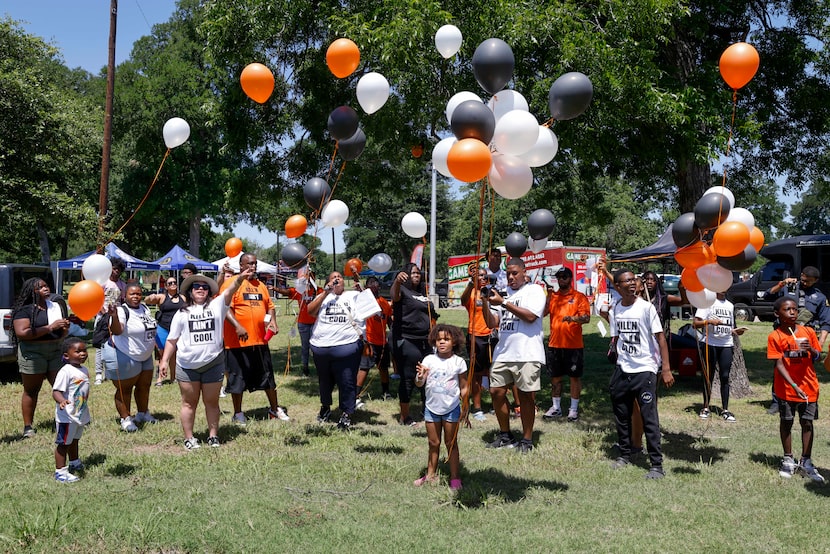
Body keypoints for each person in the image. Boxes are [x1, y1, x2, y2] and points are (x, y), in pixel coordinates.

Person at [160, 270, 252, 450]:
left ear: (209, 291)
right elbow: (172, 339)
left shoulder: (218, 305)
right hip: (187, 365)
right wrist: (164, 361)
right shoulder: (181, 313)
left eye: (204, 287)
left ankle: (213, 436)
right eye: (196, 287)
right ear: (190, 291)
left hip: (213, 363)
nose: (200, 289)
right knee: (189, 403)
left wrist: (240, 277)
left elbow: (231, 289)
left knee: (211, 402)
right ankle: (189, 438)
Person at [608, 269, 674, 479]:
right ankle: (625, 454)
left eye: (633, 280)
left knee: (649, 418)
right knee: (621, 414)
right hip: (623, 368)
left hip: (645, 369)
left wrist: (665, 369)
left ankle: (656, 465)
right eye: (625, 281)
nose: (631, 283)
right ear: (617, 287)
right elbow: (616, 338)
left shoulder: (646, 308)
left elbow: (661, 339)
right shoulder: (616, 309)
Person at [480, 257, 546, 453]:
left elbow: (530, 316)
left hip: (527, 352)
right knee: (496, 392)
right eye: (508, 273)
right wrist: (485, 302)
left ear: (525, 273)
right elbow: (492, 323)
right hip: (503, 352)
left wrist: (504, 302)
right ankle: (505, 435)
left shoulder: (534, 291)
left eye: (515, 273)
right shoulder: (503, 294)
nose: (510, 277)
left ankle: (526, 439)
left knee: (526, 397)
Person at [222, 253, 288, 424]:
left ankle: (274, 409)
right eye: (249, 264)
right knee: (238, 380)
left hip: (259, 341)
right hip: (236, 342)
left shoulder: (261, 286)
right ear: (241, 265)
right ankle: (238, 414)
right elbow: (224, 306)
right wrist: (237, 325)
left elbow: (270, 306)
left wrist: (272, 321)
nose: (252, 267)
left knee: (268, 378)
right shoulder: (231, 283)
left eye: (255, 264)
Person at [767, 296, 825, 482]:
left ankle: (806, 462)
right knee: (787, 422)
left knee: (807, 423)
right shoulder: (775, 336)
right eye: (787, 309)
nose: (792, 312)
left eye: (794, 309)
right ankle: (788, 459)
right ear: (778, 313)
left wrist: (812, 350)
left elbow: (817, 358)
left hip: (809, 386)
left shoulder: (807, 332)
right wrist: (793, 385)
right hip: (786, 389)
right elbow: (779, 364)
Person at [764, 266, 830, 414]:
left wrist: (820, 343)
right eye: (803, 280)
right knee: (780, 367)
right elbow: (768, 295)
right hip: (784, 334)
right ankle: (777, 401)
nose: (805, 283)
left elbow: (826, 322)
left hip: (806, 336)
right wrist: (781, 284)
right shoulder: (789, 288)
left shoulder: (820, 297)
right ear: (801, 275)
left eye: (809, 282)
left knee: (805, 369)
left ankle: (808, 399)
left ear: (816, 281)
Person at [12, 277, 70, 438]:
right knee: (31, 390)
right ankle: (28, 426)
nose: (46, 288)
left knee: (61, 387)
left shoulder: (55, 306)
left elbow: (61, 330)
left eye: (46, 286)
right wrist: (51, 327)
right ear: (32, 291)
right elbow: (22, 333)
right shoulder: (24, 310)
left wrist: (64, 330)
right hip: (33, 352)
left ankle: (70, 419)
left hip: (55, 350)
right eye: (41, 287)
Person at [413, 324, 468, 491]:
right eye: (439, 339)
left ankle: (455, 477)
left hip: (451, 408)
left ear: (454, 342)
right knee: (433, 442)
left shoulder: (458, 362)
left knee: (451, 443)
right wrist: (420, 376)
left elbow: (464, 387)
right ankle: (430, 474)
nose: (442, 342)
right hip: (431, 408)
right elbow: (419, 383)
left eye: (446, 339)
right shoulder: (429, 360)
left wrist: (466, 406)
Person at [307, 271, 365, 429]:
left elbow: (370, 307)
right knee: (325, 381)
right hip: (321, 347)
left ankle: (346, 413)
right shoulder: (323, 297)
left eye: (339, 277)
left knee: (346, 381)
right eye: (333, 277)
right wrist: (326, 292)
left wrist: (361, 289)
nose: (337, 279)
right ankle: (325, 407)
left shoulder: (353, 295)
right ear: (327, 282)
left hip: (347, 346)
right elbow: (310, 311)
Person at [102, 283, 158, 432]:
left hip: (145, 355)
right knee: (124, 389)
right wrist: (113, 316)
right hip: (125, 354)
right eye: (132, 294)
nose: (136, 297)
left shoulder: (145, 309)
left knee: (144, 386)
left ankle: (142, 413)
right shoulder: (121, 311)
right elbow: (117, 331)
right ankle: (125, 418)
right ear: (125, 295)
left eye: (138, 294)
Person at [391, 263, 437, 426]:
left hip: (425, 340)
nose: (416, 275)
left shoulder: (422, 293)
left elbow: (432, 314)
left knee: (428, 375)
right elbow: (394, 295)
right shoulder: (402, 290)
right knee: (409, 377)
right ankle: (405, 416)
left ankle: (428, 410)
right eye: (413, 273)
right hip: (407, 339)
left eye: (418, 272)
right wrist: (397, 282)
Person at [543, 267, 591, 422]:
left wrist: (572, 319)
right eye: (559, 277)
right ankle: (556, 407)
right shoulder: (554, 296)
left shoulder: (579, 297)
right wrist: (548, 297)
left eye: (564, 277)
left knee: (574, 378)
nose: (561, 279)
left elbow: (586, 318)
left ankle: (573, 409)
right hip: (554, 344)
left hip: (573, 345)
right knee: (555, 378)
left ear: (570, 278)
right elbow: (543, 313)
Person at [693, 292, 745, 422]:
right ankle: (705, 407)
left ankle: (725, 409)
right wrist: (709, 321)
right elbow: (696, 323)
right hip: (710, 343)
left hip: (726, 344)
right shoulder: (707, 303)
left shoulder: (730, 305)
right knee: (708, 376)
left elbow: (730, 327)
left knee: (725, 376)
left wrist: (736, 332)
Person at [460, 264, 496, 422]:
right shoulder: (472, 293)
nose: (482, 278)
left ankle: (497, 404)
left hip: (492, 336)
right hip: (476, 336)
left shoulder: (491, 292)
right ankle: (477, 407)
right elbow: (462, 300)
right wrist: (470, 283)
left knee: (494, 372)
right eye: (479, 276)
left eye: (484, 275)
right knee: (476, 374)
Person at [52, 337, 90, 483]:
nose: (82, 354)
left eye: (84, 350)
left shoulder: (84, 369)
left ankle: (74, 462)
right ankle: (60, 472)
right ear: (66, 356)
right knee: (64, 443)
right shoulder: (65, 371)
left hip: (78, 413)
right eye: (78, 351)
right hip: (67, 415)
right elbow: (56, 391)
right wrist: (62, 401)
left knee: (74, 439)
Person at [273, 269, 324, 377]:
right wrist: (275, 289)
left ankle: (320, 368)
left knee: (317, 346)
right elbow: (288, 292)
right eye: (307, 277)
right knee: (305, 346)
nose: (309, 279)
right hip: (303, 323)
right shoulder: (300, 291)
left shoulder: (319, 291)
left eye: (311, 277)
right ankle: (305, 368)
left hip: (316, 323)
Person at [356, 275, 393, 404]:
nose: (374, 285)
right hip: (369, 340)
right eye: (370, 283)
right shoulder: (365, 300)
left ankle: (386, 392)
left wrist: (393, 331)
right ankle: (356, 394)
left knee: (383, 368)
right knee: (364, 367)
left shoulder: (384, 303)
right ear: (367, 287)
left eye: (376, 283)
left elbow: (388, 319)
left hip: (382, 342)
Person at [145, 275, 186, 385]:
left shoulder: (183, 298)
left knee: (174, 354)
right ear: (166, 287)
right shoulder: (162, 297)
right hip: (163, 328)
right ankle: (160, 378)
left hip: (177, 330)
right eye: (170, 283)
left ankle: (173, 377)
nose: (173, 284)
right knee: (162, 354)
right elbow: (147, 300)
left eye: (174, 283)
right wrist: (150, 297)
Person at [94, 257, 126, 385]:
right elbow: (96, 298)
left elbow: (122, 301)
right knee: (99, 345)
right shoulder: (103, 283)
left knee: (113, 344)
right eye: (114, 269)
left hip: (115, 317)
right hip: (102, 316)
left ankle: (109, 371)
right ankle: (98, 373)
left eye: (118, 269)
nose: (116, 272)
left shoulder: (122, 285)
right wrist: (102, 311)